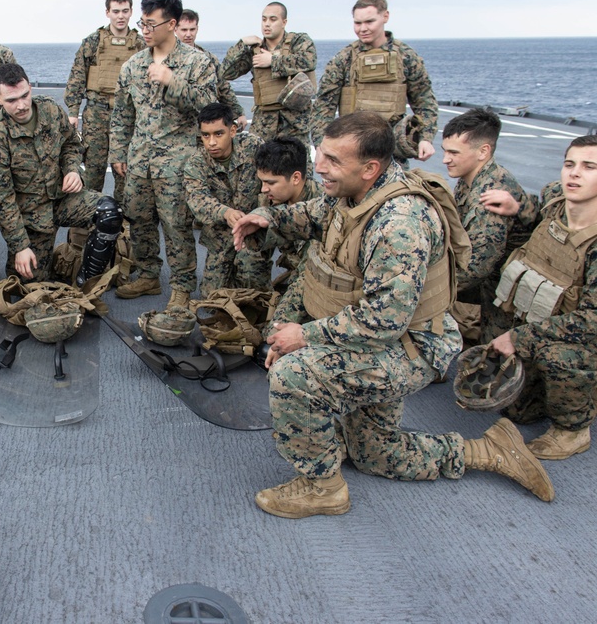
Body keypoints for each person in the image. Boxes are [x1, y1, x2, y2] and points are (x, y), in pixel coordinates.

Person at [231, 112, 553, 519]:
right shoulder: (356, 190)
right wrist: (267, 217)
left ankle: (322, 488)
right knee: (373, 452)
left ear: (370, 168)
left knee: (294, 375)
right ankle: (487, 450)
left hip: (410, 345)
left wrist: (303, 337)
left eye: (332, 160)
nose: (320, 168)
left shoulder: (399, 223)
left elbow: (384, 319)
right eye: (321, 155)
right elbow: (319, 213)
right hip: (386, 335)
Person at [487, 135, 597, 461]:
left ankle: (572, 431)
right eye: (570, 164)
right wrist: (519, 208)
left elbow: (592, 320)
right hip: (542, 324)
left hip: (580, 338)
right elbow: (541, 212)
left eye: (589, 167)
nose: (574, 174)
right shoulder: (554, 198)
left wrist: (519, 337)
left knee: (560, 355)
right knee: (518, 410)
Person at [109, 0, 216, 308]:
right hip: (139, 162)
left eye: (150, 24)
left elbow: (211, 109)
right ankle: (147, 275)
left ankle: (182, 286)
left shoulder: (196, 63)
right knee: (139, 221)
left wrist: (173, 82)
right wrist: (118, 152)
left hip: (177, 164)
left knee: (176, 226)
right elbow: (122, 114)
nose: (143, 29)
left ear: (171, 24)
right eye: (141, 23)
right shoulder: (133, 65)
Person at [0, 63, 122, 284]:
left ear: (30, 87)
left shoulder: (49, 109)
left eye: (24, 95)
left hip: (62, 198)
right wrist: (20, 246)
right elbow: (2, 201)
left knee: (109, 213)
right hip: (31, 216)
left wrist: (72, 171)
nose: (21, 105)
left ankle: (87, 282)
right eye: (11, 100)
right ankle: (49, 260)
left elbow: (71, 145)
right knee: (27, 287)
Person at [441, 108, 532, 343]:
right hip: (491, 281)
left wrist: (425, 289)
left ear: (483, 151)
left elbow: (476, 268)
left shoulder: (490, 193)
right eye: (445, 151)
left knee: (494, 357)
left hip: (503, 291)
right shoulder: (469, 179)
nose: (445, 159)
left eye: (453, 152)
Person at [312, 0, 437, 163]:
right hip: (351, 153)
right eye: (357, 23)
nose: (363, 29)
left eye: (369, 22)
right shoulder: (344, 59)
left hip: (390, 154)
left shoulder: (406, 57)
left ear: (385, 16)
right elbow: (323, 106)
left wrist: (425, 138)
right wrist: (321, 146)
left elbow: (424, 101)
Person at [64, 0, 145, 200]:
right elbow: (77, 76)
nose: (121, 16)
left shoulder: (140, 45)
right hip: (96, 115)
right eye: (116, 11)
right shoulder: (92, 42)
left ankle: (120, 226)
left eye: (125, 11)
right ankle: (87, 226)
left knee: (125, 173)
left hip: (128, 116)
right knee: (92, 171)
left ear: (131, 12)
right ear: (107, 12)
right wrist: (73, 112)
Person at [183, 103, 267, 293]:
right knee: (211, 297)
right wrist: (225, 212)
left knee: (252, 281)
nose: (211, 142)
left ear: (233, 130)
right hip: (221, 236)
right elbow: (197, 200)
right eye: (206, 135)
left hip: (254, 231)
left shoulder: (254, 147)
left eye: (218, 134)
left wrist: (264, 213)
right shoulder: (196, 164)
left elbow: (275, 179)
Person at [219, 2, 316, 146]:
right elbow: (226, 72)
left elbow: (309, 61)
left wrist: (272, 60)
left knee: (296, 165)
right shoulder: (255, 50)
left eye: (273, 19)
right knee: (258, 165)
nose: (267, 24)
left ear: (284, 22)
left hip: (294, 123)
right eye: (264, 20)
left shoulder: (298, 42)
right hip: (264, 123)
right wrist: (242, 43)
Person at [255, 136, 322, 293]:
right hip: (294, 262)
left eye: (270, 183)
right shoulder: (272, 197)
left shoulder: (322, 207)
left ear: (296, 178)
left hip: (314, 273)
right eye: (262, 181)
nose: (263, 189)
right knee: (248, 258)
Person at [176, 10, 246, 131]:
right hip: (177, 125)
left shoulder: (208, 58)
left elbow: (223, 86)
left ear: (197, 29)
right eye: (184, 30)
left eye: (192, 30)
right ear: (175, 29)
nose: (188, 34)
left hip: (205, 123)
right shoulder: (167, 57)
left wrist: (238, 113)